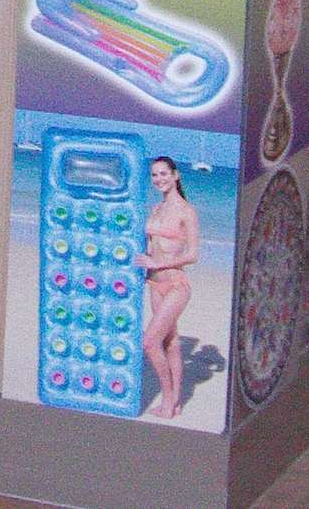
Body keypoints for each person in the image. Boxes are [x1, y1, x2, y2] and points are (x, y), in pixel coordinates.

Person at [136, 154, 199, 419]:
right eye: (154, 175)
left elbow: (192, 255)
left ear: (175, 176)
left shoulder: (186, 211)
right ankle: (175, 403)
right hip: (154, 284)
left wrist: (158, 263)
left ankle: (169, 398)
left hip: (175, 285)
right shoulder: (155, 209)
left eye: (163, 173)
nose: (159, 179)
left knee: (150, 342)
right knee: (170, 342)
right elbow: (149, 247)